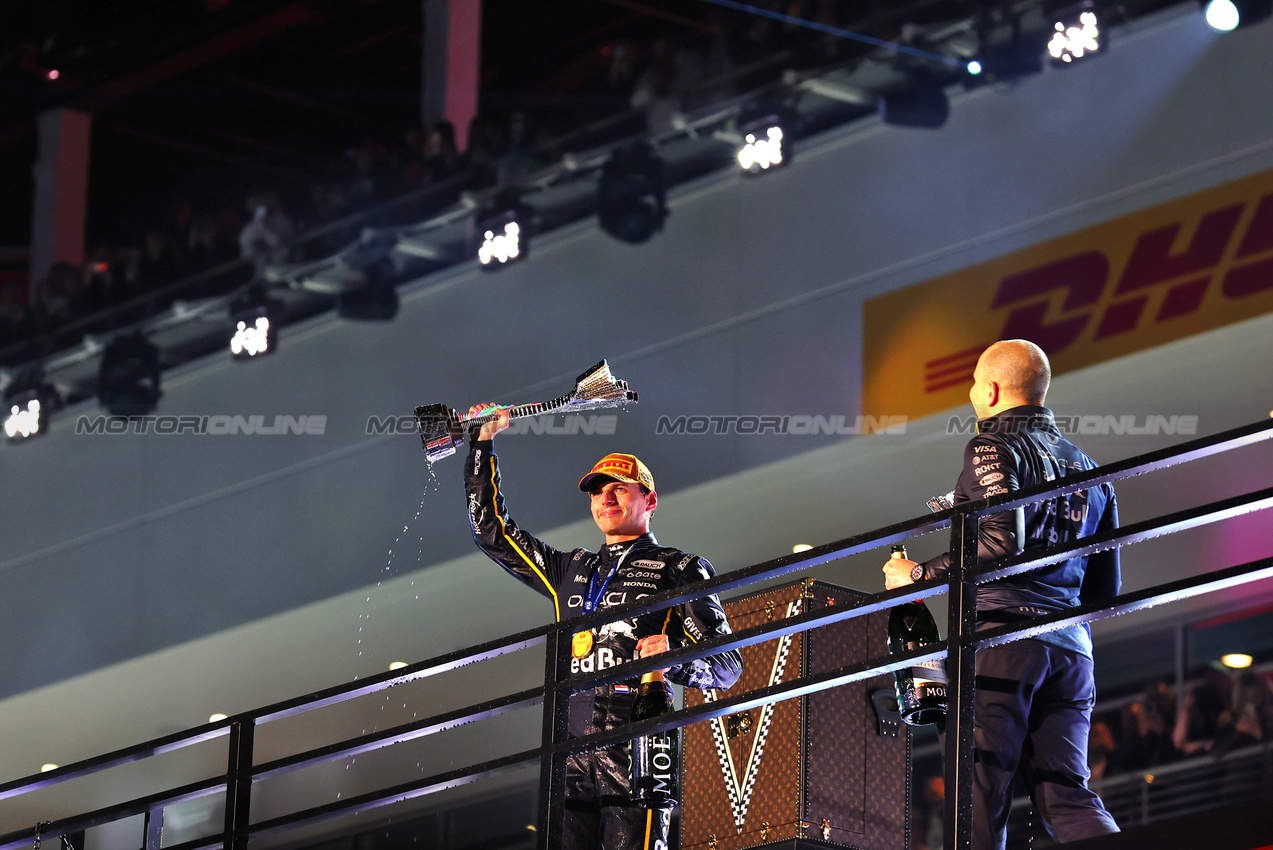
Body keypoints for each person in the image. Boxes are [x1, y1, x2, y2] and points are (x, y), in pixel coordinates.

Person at [463, 403, 743, 850]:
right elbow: (490, 531)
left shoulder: (680, 567)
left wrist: (674, 658)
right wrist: (482, 445)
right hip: (567, 747)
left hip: (637, 741)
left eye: (618, 489)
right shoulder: (570, 568)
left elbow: (728, 666)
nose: (605, 499)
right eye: (596, 492)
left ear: (649, 500)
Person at [882, 339, 1121, 849]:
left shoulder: (991, 446)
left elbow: (998, 541)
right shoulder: (1091, 468)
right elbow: (1106, 588)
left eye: (972, 382)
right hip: (1072, 651)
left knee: (975, 793)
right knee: (1066, 793)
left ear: (989, 388)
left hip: (1000, 641)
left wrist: (918, 575)